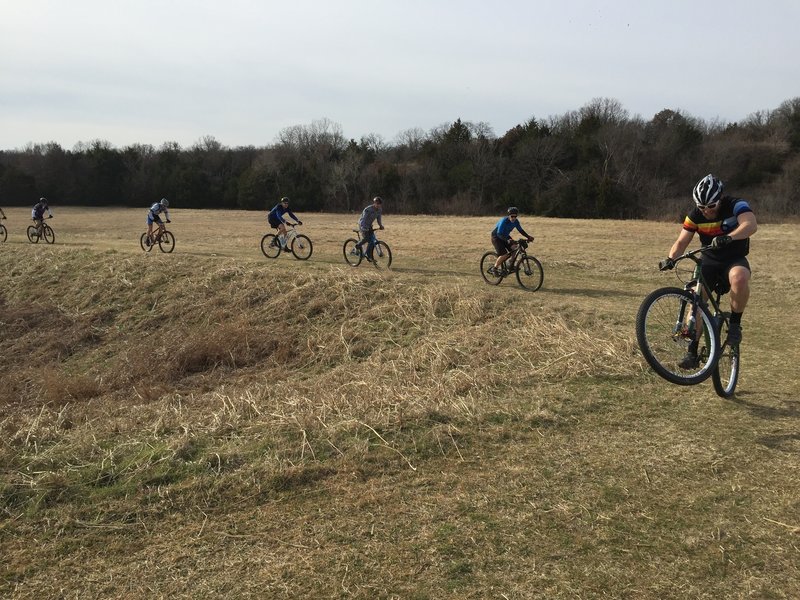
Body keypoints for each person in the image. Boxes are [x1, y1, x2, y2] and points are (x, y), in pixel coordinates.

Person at [660, 174, 757, 368]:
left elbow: (750, 224)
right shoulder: (695, 215)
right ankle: (691, 351)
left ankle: (735, 325)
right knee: (695, 300)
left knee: (739, 278)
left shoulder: (735, 205)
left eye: (711, 206)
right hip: (710, 261)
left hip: (733, 258)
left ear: (720, 199)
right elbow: (681, 242)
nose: (706, 211)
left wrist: (729, 237)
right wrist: (670, 258)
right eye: (702, 207)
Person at [488, 207, 534, 275]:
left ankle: (510, 264)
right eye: (512, 216)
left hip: (505, 236)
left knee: (515, 248)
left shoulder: (516, 221)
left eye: (515, 216)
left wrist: (528, 237)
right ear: (509, 216)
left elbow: (520, 230)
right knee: (504, 254)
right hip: (496, 237)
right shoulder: (504, 221)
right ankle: (494, 268)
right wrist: (508, 240)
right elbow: (499, 233)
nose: (514, 218)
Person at [357, 196, 384, 262]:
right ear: (374, 203)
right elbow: (363, 219)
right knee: (367, 238)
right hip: (362, 225)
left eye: (379, 204)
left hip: (369, 226)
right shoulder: (368, 209)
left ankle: (369, 257)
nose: (378, 205)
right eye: (377, 204)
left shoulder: (380, 210)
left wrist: (380, 225)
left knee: (372, 240)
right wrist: (363, 227)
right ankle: (357, 246)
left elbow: (378, 219)